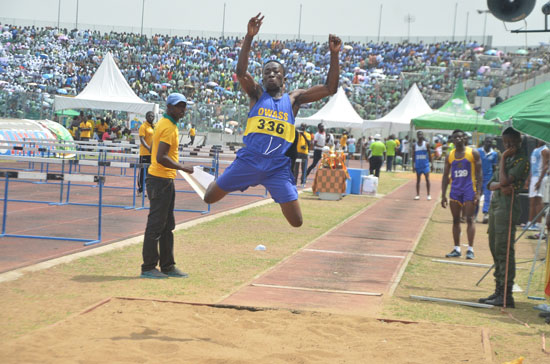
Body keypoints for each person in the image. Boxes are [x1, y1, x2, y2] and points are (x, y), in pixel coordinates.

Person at [203, 13, 341, 227]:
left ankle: (271, 186)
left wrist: (334, 54)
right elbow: (241, 72)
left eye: (275, 72)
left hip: (277, 166)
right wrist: (249, 37)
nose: (270, 75)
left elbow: (330, 88)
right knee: (209, 197)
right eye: (266, 72)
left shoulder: (294, 99)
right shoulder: (257, 94)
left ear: (283, 79)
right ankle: (233, 179)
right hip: (249, 160)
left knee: (297, 221)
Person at [141, 93, 194, 279]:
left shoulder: (166, 124)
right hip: (160, 180)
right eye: (178, 106)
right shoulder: (168, 127)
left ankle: (167, 266)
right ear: (169, 107)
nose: (182, 109)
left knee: (167, 225)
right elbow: (161, 157)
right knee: (156, 226)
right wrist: (183, 167)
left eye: (183, 106)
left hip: (164, 180)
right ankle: (148, 266)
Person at [478, 127, 530, 307]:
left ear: (519, 142)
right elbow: (490, 185)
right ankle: (498, 289)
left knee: (504, 249)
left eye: (511, 142)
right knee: (494, 246)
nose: (508, 145)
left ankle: (507, 294)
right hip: (497, 204)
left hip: (508, 207)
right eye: (505, 142)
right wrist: (501, 184)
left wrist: (503, 162)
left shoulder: (522, 160)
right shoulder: (507, 159)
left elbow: (507, 181)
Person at [441, 129, 482, 260]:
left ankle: (470, 249)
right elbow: (445, 176)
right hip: (455, 190)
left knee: (469, 219)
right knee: (455, 220)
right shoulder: (450, 155)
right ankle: (457, 248)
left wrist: (478, 193)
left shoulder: (473, 153)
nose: (458, 139)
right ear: (452, 140)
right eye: (455, 138)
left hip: (469, 189)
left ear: (464, 138)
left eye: (460, 137)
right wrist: (443, 194)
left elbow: (480, 174)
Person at [524, 138, 549, 232]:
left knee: (538, 201)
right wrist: (528, 179)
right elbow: (533, 166)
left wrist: (539, 181)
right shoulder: (535, 149)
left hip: (540, 177)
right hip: (534, 177)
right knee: (532, 201)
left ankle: (538, 224)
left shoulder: (545, 150)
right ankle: (530, 222)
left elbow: (545, 166)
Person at [477, 137, 499, 223]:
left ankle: (485, 214)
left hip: (488, 178)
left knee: (487, 196)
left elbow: (494, 167)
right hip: (478, 177)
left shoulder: (494, 154)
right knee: (477, 195)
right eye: (487, 142)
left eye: (490, 142)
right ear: (484, 142)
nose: (488, 143)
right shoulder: (478, 151)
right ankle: (474, 214)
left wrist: (494, 179)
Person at [137, 111, 155, 196]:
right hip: (145, 153)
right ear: (146, 117)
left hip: (153, 154)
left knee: (150, 173)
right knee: (142, 172)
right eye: (149, 116)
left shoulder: (154, 127)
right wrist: (148, 148)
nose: (151, 117)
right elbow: (142, 139)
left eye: (152, 116)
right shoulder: (143, 126)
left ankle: (148, 190)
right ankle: (140, 190)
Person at [412, 130, 432, 200]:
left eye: (421, 134)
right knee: (418, 180)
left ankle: (428, 195)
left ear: (423, 135)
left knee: (427, 179)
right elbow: (413, 155)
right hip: (418, 165)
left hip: (425, 165)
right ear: (417, 136)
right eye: (419, 135)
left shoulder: (426, 144)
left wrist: (431, 164)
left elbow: (429, 154)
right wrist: (413, 166)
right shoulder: (414, 145)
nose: (420, 136)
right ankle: (417, 195)